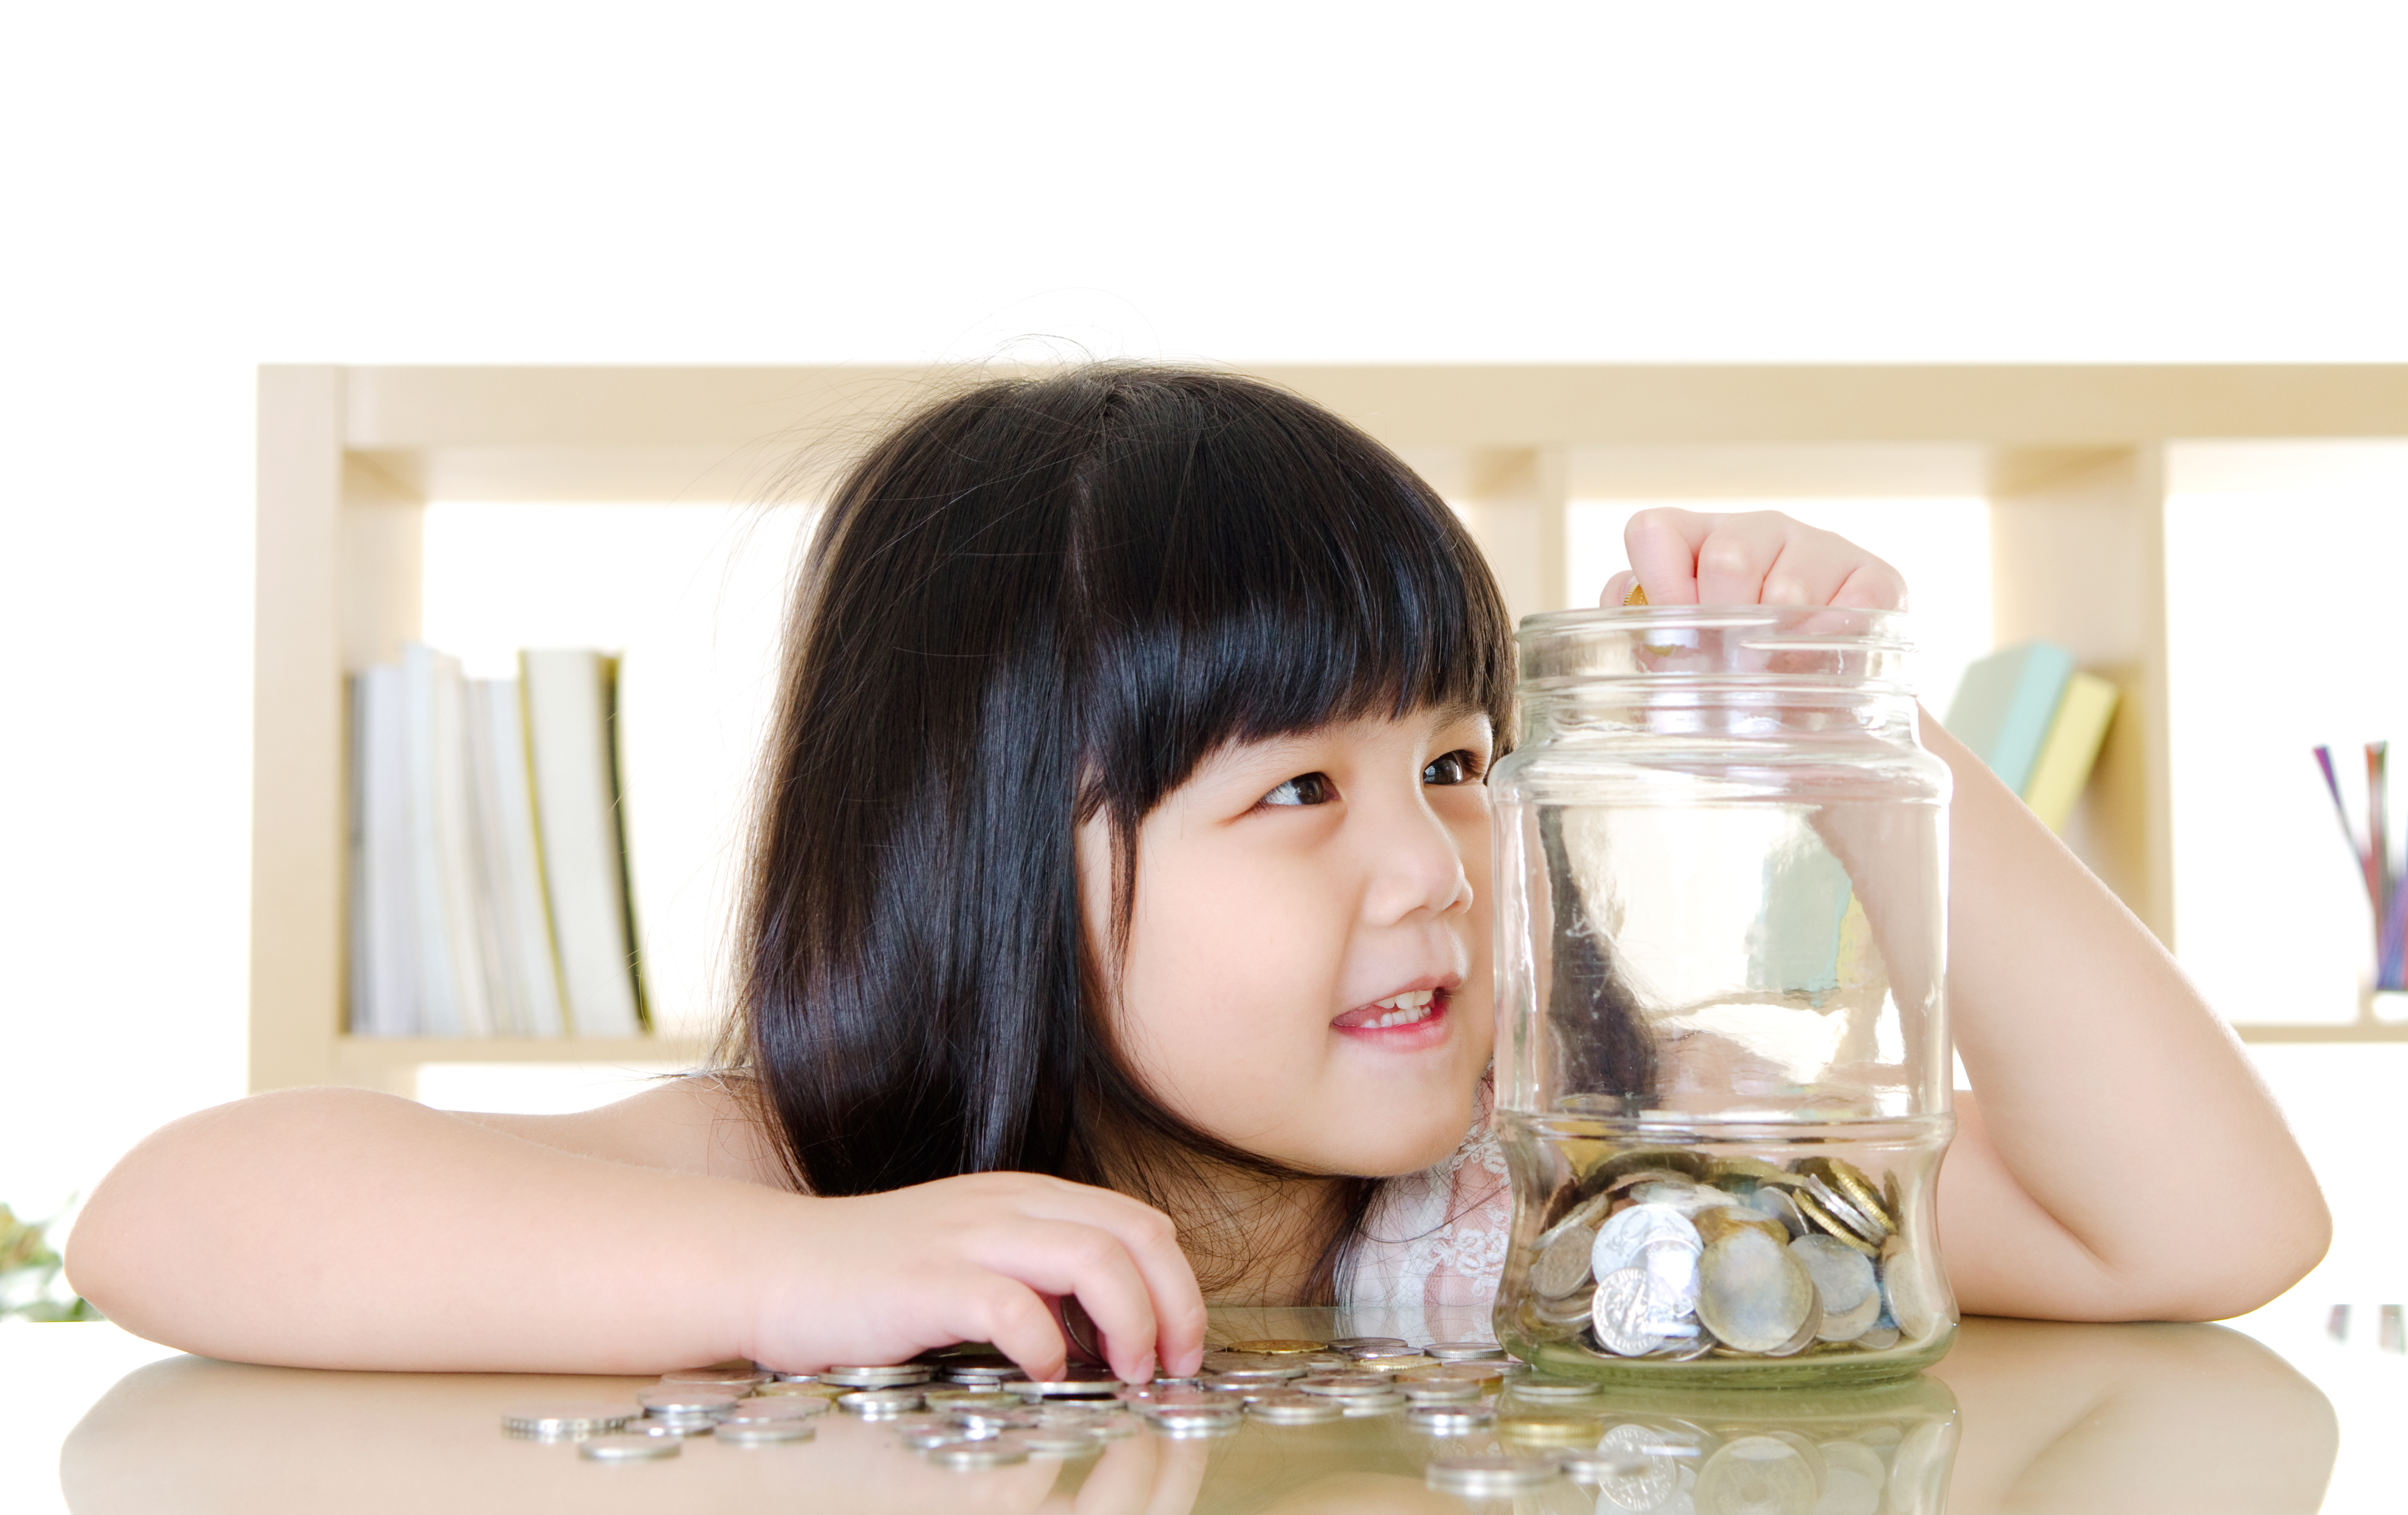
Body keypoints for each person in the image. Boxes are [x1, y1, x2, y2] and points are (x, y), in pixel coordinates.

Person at [65, 365, 2329, 1382]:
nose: (1440, 863)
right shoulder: (828, 1164)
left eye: (1455, 756)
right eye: (1296, 793)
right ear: (989, 854)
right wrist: (809, 1269)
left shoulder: (1586, 1158)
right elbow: (174, 1210)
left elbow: (2207, 1226)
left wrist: (1849, 731)